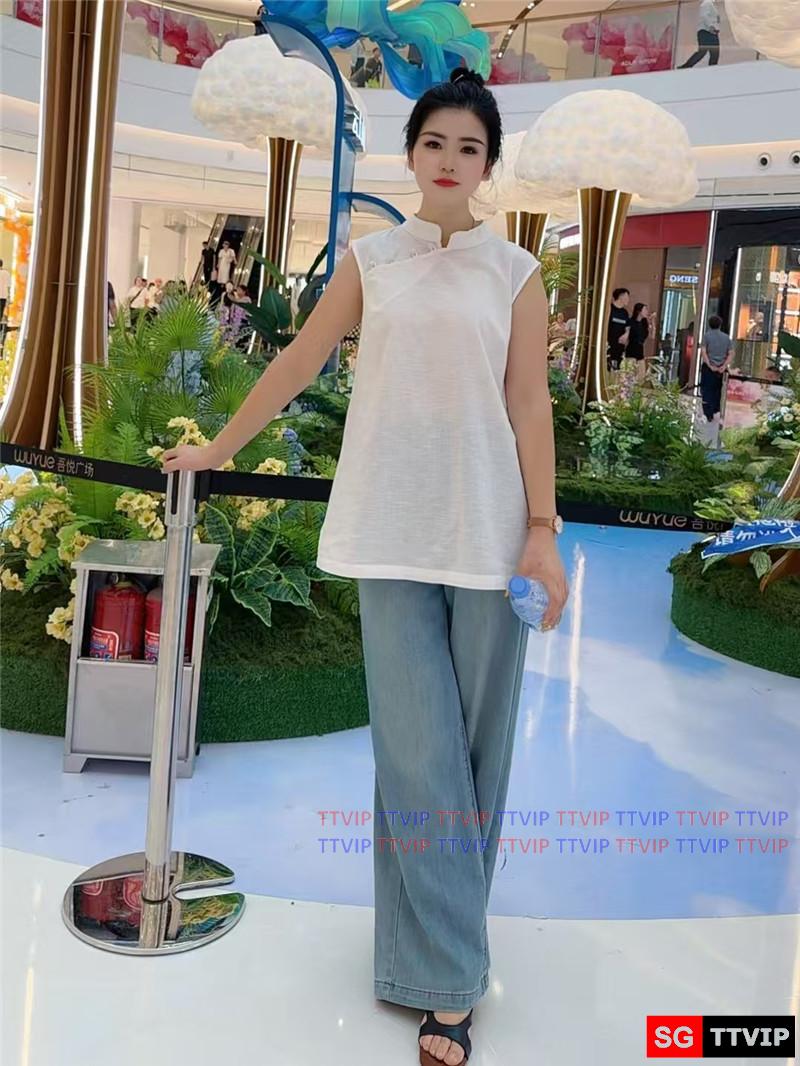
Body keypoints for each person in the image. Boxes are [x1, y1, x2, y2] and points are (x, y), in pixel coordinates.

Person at [161, 66, 568, 1066]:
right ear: (411, 152)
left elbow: (528, 403)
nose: (449, 161)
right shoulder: (371, 258)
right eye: (435, 143)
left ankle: (417, 961)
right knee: (417, 754)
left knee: (474, 760)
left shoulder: (514, 271)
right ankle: (452, 983)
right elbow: (300, 360)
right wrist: (220, 448)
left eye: (469, 148)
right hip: (390, 529)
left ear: (488, 165)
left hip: (489, 534)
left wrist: (542, 529)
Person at [700, 314, 733, 422]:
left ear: (709, 324)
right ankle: (716, 410)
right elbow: (731, 353)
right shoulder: (726, 338)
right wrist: (724, 366)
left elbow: (704, 352)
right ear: (720, 325)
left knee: (707, 390)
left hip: (708, 368)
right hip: (721, 369)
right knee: (718, 390)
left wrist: (709, 365)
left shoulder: (706, 336)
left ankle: (708, 413)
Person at [680, 0, 721, 68]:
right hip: (706, 31)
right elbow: (704, 15)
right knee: (704, 52)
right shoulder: (707, 3)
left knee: (714, 53)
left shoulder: (712, 4)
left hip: (711, 31)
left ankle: (712, 69)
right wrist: (710, 26)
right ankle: (686, 66)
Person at [625, 302, 654, 380]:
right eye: (645, 309)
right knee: (630, 375)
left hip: (640, 350)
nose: (647, 312)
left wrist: (652, 322)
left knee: (641, 376)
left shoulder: (644, 324)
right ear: (639, 311)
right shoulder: (631, 322)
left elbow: (652, 336)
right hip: (631, 350)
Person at [607, 287, 631, 371]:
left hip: (619, 347)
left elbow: (627, 326)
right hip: (608, 345)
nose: (628, 300)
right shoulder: (609, 309)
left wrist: (626, 334)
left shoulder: (625, 312)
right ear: (621, 296)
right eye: (627, 297)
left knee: (617, 368)